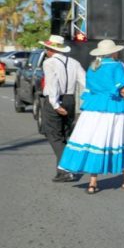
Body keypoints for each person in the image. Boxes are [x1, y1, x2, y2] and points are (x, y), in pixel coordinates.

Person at [57, 39, 124, 193]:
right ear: (112, 52)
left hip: (93, 109)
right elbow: (123, 90)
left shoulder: (93, 67)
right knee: (120, 139)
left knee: (96, 142)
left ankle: (93, 182)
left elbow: (89, 88)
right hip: (114, 108)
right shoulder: (117, 66)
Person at [39, 34, 86, 182]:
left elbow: (53, 84)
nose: (46, 50)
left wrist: (55, 104)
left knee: (53, 135)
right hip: (70, 99)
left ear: (50, 49)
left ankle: (66, 169)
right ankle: (61, 170)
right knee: (64, 135)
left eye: (47, 48)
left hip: (56, 99)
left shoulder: (49, 63)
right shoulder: (74, 62)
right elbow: (85, 82)